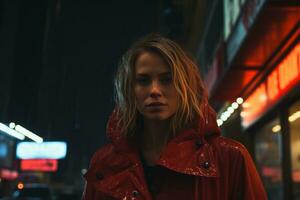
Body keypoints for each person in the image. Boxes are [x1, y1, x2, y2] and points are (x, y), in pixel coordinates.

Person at [82, 34, 267, 200]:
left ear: (185, 87)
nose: (154, 90)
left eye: (166, 79)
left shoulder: (230, 159)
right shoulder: (106, 164)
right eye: (143, 80)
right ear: (129, 90)